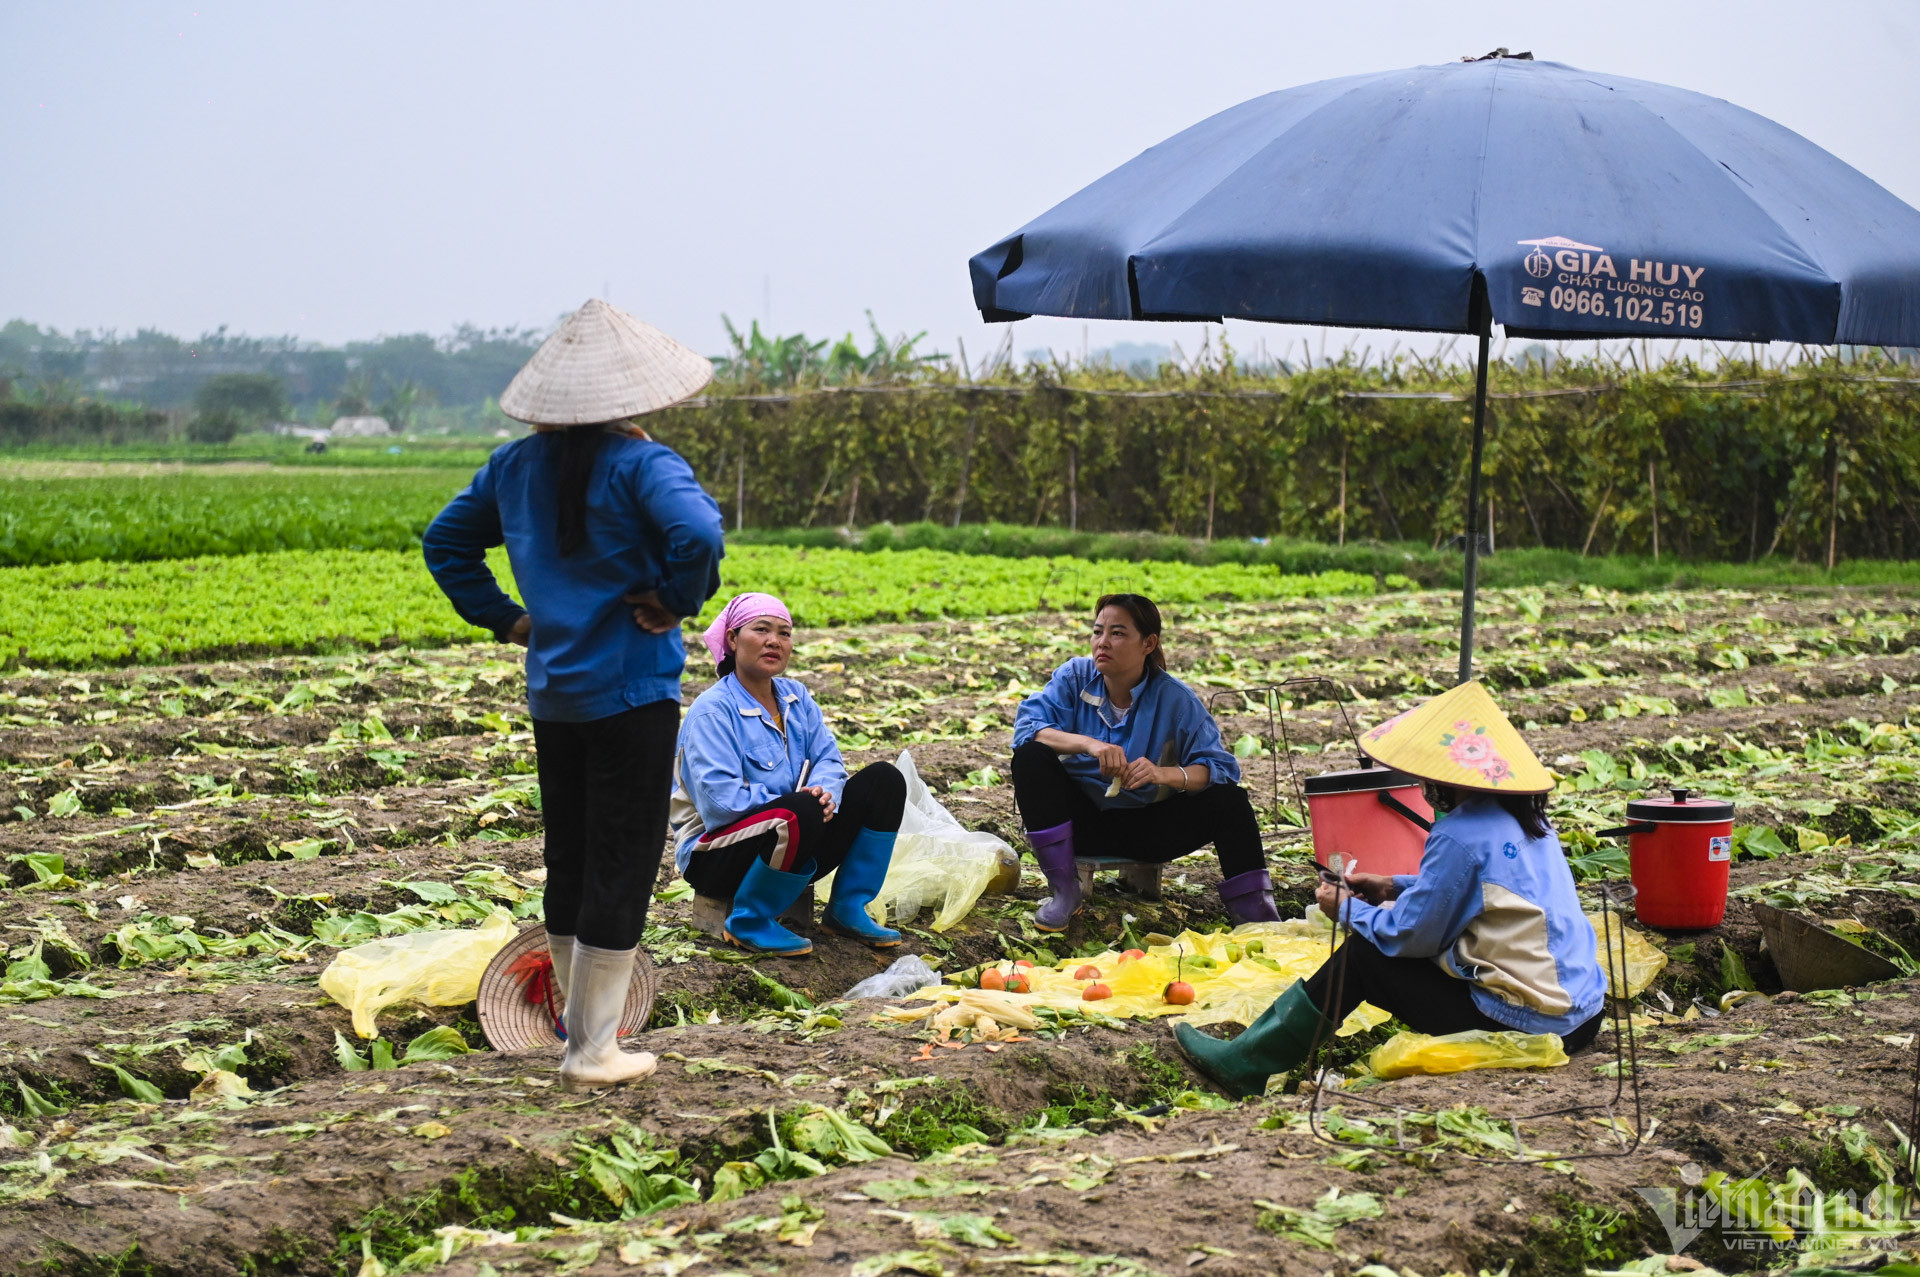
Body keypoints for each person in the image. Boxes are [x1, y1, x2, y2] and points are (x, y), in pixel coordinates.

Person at [423, 299, 725, 1092]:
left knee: (572, 852)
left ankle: (576, 1025)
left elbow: (444, 540)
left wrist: (507, 617)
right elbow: (699, 537)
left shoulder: (514, 465)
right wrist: (675, 599)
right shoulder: (645, 464)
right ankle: (594, 1047)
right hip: (631, 691)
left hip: (555, 691)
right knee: (622, 862)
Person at [1176, 681, 1608, 1098]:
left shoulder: (1459, 834)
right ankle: (1257, 1053)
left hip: (1524, 1023)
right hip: (1583, 1015)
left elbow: (1411, 938)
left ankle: (1247, 1063)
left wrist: (1344, 908)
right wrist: (1390, 885)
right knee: (1379, 947)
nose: (1424, 787)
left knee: (1363, 958)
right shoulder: (1530, 819)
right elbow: (1483, 890)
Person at [1009, 593, 1277, 932]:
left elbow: (1219, 769)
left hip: (1148, 830)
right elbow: (1028, 730)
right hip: (1078, 826)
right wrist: (1090, 745)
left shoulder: (1175, 700)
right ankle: (1064, 891)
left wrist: (1163, 774)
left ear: (1148, 643)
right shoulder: (1074, 678)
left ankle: (1257, 916)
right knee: (1030, 757)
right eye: (1097, 631)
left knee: (1230, 801)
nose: (1102, 643)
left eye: (1118, 633)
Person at [669, 592, 907, 956]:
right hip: (716, 854)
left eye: (784, 633)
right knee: (800, 809)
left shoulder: (796, 698)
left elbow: (828, 759)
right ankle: (749, 920)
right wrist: (802, 804)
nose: (774, 641)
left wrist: (826, 795)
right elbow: (721, 803)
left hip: (794, 836)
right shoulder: (712, 712)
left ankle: (846, 908)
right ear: (732, 640)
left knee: (884, 781)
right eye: (761, 629)